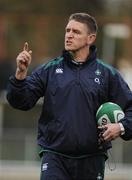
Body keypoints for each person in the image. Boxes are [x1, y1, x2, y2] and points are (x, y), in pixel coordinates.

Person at [6, 12, 132, 180]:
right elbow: (20, 101)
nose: (69, 35)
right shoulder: (49, 70)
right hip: (54, 156)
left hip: (92, 158)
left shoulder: (107, 74)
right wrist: (20, 75)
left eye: (76, 32)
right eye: (68, 30)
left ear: (91, 38)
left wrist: (121, 127)